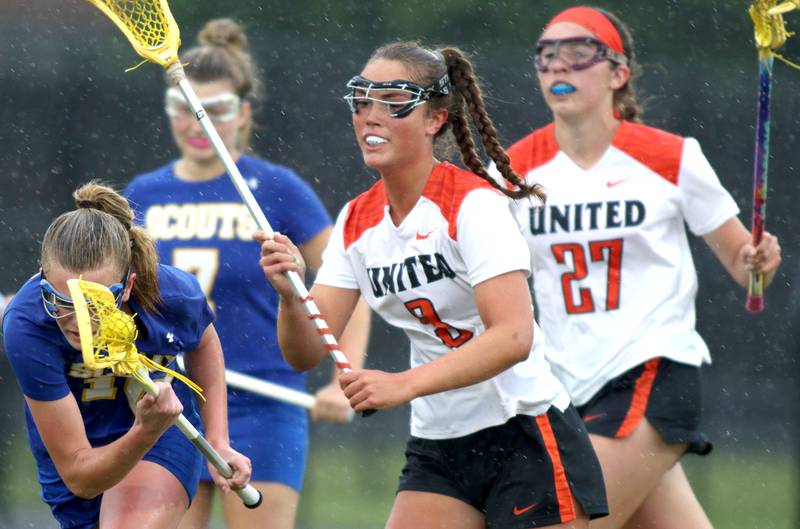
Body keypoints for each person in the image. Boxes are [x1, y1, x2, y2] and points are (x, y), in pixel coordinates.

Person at [255, 41, 608, 529]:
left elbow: (512, 336)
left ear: (434, 120)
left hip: (526, 433)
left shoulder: (473, 206)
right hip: (439, 445)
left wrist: (402, 385)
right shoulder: (356, 221)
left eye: (394, 102)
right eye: (362, 100)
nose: (371, 116)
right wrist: (291, 296)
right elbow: (305, 353)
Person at [500, 6, 783, 529]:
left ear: (618, 73)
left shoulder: (672, 157)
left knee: (561, 522)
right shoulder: (514, 172)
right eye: (547, 56)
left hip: (650, 371)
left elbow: (748, 268)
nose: (559, 66)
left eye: (579, 53)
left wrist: (760, 258)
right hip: (564, 388)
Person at [123, 18, 370, 529]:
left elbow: (352, 280)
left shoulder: (277, 188)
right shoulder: (142, 195)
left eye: (215, 112)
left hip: (264, 403)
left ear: (244, 114)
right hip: (172, 401)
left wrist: (344, 376)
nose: (197, 124)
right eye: (186, 110)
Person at [2, 182, 252, 529]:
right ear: (44, 280)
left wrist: (218, 440)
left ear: (128, 287)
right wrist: (142, 431)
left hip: (161, 434)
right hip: (82, 456)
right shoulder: (28, 324)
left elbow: (205, 341)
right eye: (63, 302)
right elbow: (81, 477)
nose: (78, 321)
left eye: (97, 304)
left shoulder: (172, 294)